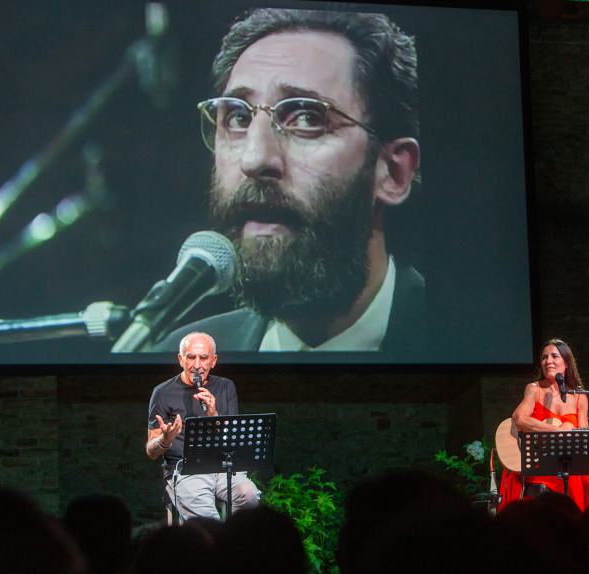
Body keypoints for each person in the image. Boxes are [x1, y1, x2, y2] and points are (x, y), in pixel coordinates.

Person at [153, 8, 423, 354]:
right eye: (237, 117)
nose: (255, 159)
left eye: (307, 118)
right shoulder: (182, 359)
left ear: (393, 172)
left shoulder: (462, 336)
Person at [146, 331, 260, 521]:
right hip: (185, 470)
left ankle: (235, 543)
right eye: (191, 357)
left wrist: (213, 415)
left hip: (223, 467)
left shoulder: (225, 387)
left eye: (203, 358)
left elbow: (233, 440)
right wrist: (165, 440)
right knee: (207, 519)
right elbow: (151, 451)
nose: (197, 365)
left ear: (213, 361)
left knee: (249, 496)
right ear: (180, 359)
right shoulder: (163, 392)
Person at [497, 338, 589, 512]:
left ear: (566, 362)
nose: (548, 361)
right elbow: (519, 418)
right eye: (544, 357)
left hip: (566, 459)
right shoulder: (534, 389)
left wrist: (580, 439)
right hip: (537, 461)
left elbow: (585, 437)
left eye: (554, 356)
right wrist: (558, 430)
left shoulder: (580, 396)